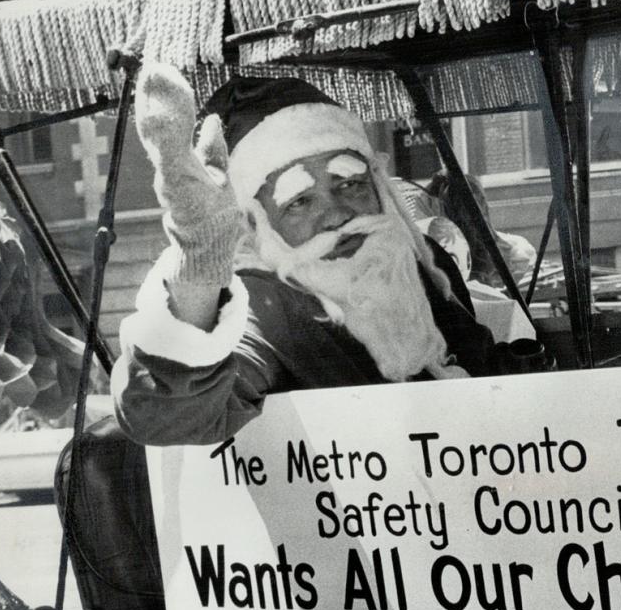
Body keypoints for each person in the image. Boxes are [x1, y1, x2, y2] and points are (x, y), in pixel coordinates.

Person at [114, 65, 511, 446]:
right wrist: (200, 264)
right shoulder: (261, 305)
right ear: (258, 223)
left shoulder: (425, 264)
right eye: (299, 201)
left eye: (351, 183)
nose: (337, 214)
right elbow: (168, 416)